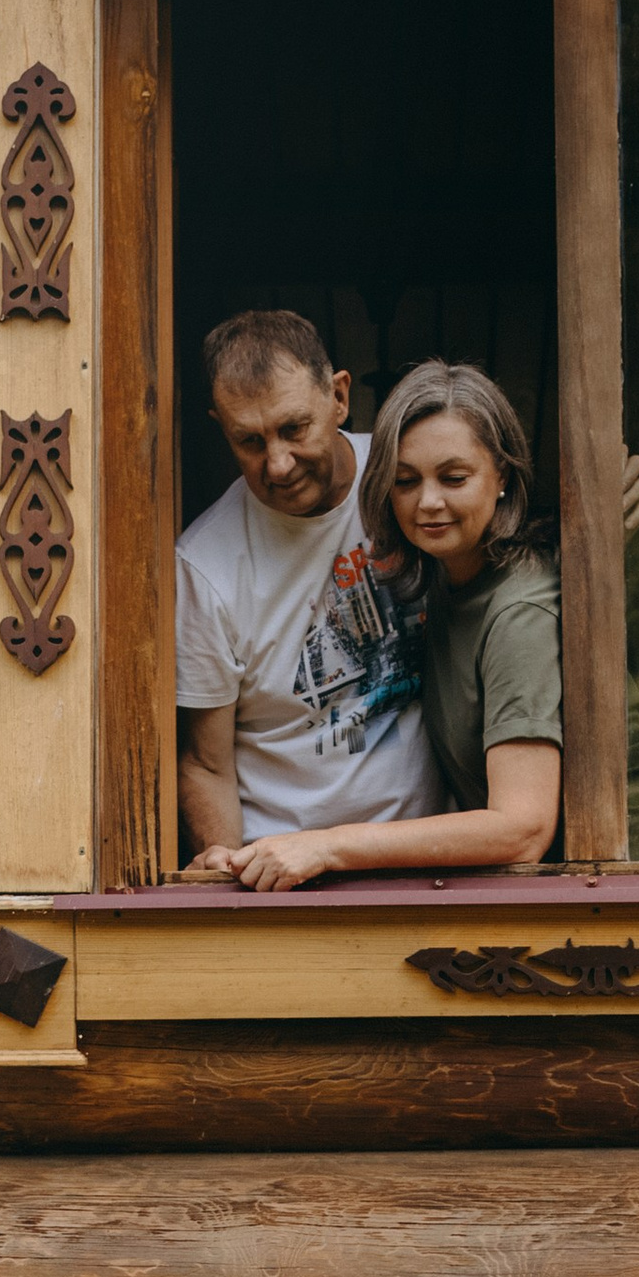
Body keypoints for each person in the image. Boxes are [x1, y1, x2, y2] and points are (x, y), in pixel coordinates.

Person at [189, 353, 639, 891]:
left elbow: (522, 829)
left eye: (454, 477)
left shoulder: (520, 610)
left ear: (502, 474)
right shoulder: (447, 576)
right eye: (406, 481)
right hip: (587, 882)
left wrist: (325, 845)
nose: (428, 502)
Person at [173, 310, 436, 883]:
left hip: (430, 858)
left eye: (294, 428)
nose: (278, 464)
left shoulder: (410, 480)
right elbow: (206, 762)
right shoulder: (204, 564)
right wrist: (222, 859)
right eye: (249, 441)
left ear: (339, 397)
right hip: (284, 876)